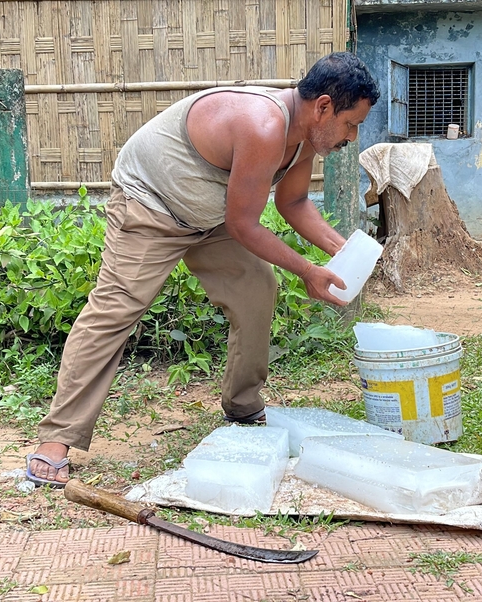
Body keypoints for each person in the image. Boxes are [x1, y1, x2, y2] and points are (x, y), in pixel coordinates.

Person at [25, 52, 381, 487]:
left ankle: (243, 406)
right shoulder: (263, 124)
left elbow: (293, 203)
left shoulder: (305, 134)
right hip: (151, 206)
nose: (352, 135)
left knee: (255, 286)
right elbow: (244, 224)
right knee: (116, 309)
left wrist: (341, 250)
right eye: (351, 123)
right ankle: (58, 439)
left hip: (209, 216)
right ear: (323, 106)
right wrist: (308, 270)